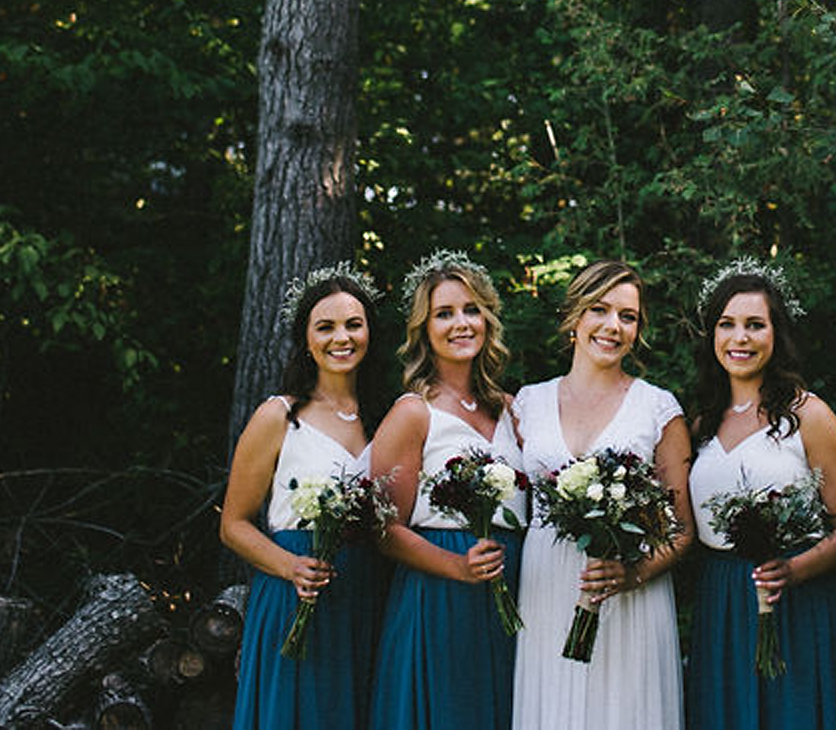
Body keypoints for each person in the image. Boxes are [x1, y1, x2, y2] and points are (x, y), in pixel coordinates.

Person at [511, 259, 691, 730]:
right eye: (599, 309)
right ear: (574, 316)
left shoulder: (658, 408)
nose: (613, 326)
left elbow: (683, 530)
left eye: (627, 316)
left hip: (630, 597)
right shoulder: (526, 403)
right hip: (547, 588)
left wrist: (631, 574)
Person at [685, 259, 836, 730]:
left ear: (775, 334)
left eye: (754, 325)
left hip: (796, 596)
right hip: (721, 600)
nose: (739, 338)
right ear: (712, 335)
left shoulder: (809, 415)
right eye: (727, 325)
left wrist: (796, 568)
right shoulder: (702, 423)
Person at [369, 252, 526, 729]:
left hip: (513, 587)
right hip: (440, 593)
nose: (462, 323)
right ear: (424, 328)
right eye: (445, 313)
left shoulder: (513, 409)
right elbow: (381, 527)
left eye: (471, 310)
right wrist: (456, 566)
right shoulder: (413, 413)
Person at [223, 265, 384, 730]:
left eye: (354, 324)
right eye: (326, 326)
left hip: (364, 591)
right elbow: (233, 523)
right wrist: (290, 566)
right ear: (307, 339)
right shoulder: (279, 416)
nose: (342, 337)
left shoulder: (386, 418)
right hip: (295, 587)